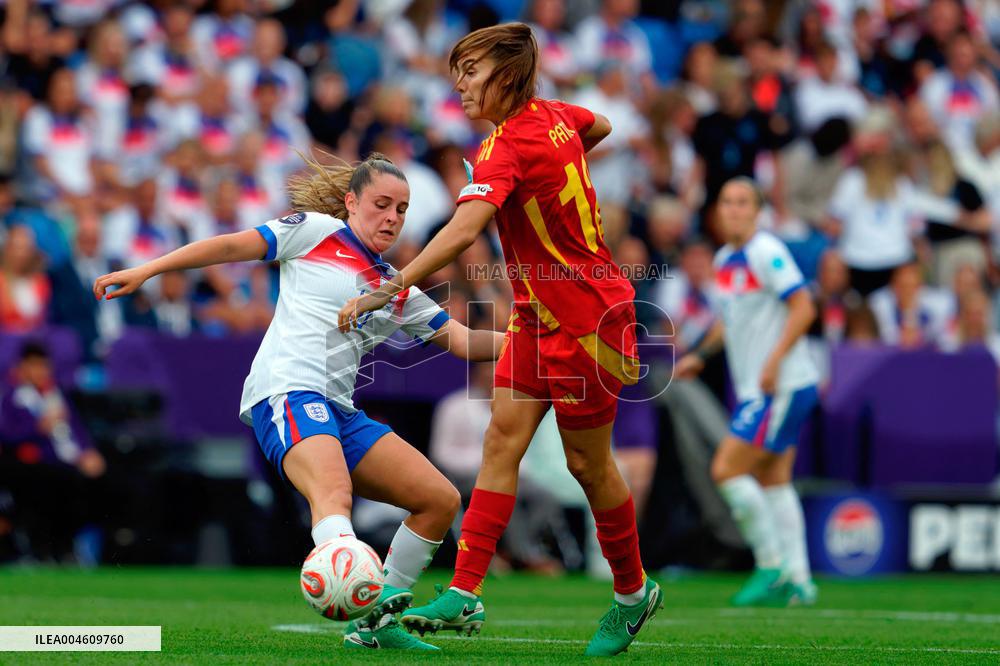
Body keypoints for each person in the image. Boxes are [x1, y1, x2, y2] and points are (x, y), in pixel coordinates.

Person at [338, 23, 661, 656]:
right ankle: (464, 591)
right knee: (500, 443)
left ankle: (632, 593)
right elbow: (599, 127)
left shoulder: (503, 148)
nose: (458, 82)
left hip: (591, 321)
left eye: (471, 70)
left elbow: (462, 234)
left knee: (587, 465)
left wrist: (391, 284)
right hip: (537, 315)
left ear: (507, 76)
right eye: (457, 69)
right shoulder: (557, 116)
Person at [93, 153, 503, 651]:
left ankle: (376, 624)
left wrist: (551, 342)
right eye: (381, 204)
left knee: (438, 500)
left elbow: (464, 341)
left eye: (402, 209)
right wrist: (150, 268)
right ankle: (344, 576)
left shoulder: (396, 288)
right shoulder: (315, 231)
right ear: (351, 202)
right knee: (333, 497)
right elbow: (229, 246)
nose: (392, 217)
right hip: (287, 392)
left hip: (342, 411)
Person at [675, 177, 820, 607]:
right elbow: (730, 318)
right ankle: (800, 580)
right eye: (726, 201)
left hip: (779, 384)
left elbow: (804, 306)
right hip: (766, 387)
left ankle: (771, 566)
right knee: (774, 479)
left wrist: (774, 360)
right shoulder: (725, 259)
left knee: (727, 470)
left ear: (758, 211)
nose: (733, 209)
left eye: (743, 202)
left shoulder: (766, 251)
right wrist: (701, 354)